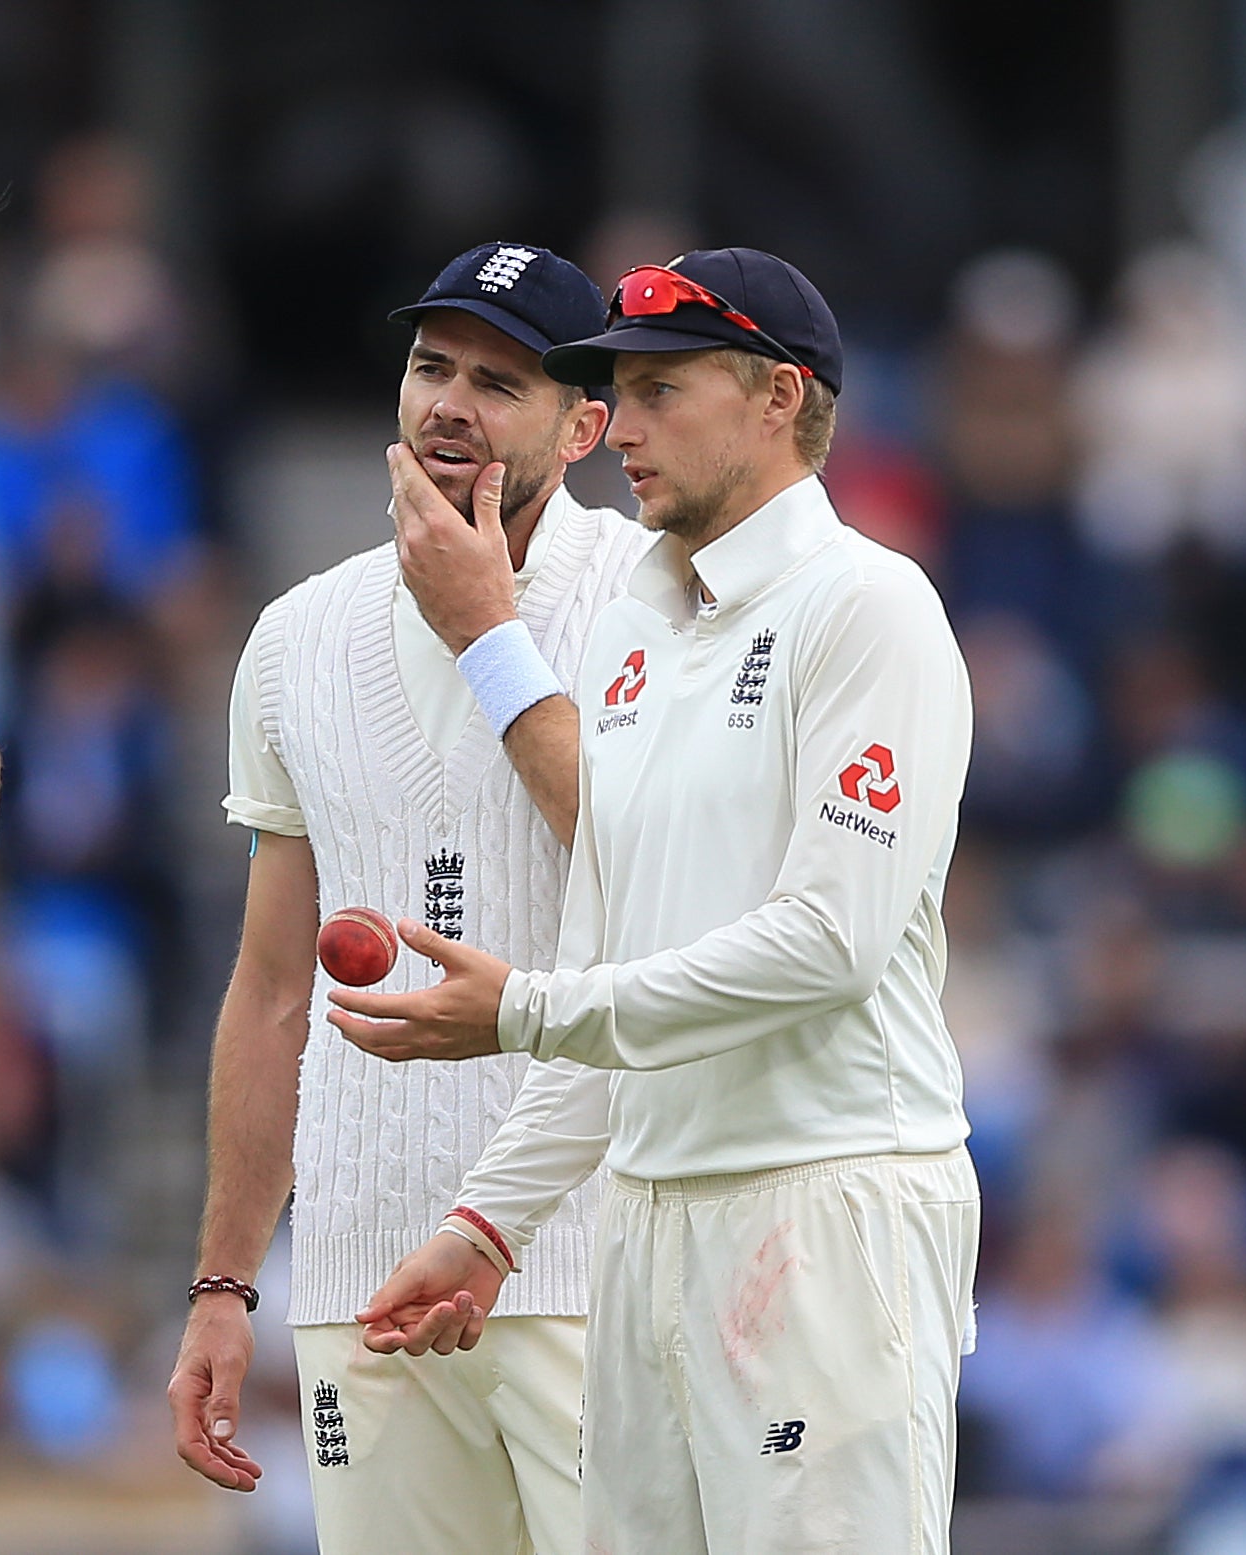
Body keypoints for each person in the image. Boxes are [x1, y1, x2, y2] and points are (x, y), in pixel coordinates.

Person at [331, 249, 980, 1555]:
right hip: (644, 1223)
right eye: (614, 391)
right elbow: (615, 964)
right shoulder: (629, 629)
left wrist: (523, 1006)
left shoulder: (868, 606)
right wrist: (487, 1217)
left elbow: (831, 942)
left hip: (824, 1202)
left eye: (659, 390)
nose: (617, 428)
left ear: (778, 397)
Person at [167, 242, 653, 1555]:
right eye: (431, 366)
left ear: (586, 423)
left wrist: (487, 632)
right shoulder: (295, 637)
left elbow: (655, 877)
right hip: (359, 1274)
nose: (449, 403)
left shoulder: (654, 601)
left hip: (587, 1261)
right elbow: (272, 988)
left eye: (498, 383)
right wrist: (224, 1282)